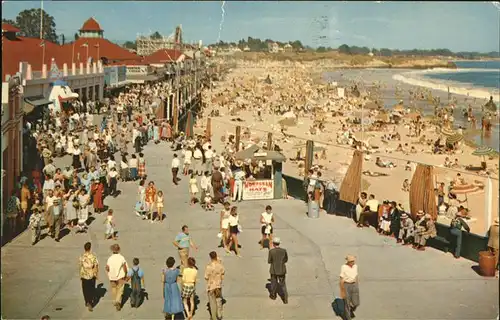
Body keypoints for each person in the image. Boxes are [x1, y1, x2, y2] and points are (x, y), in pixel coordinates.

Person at [106, 244, 129, 311]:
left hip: (112, 277)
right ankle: (118, 301)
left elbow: (107, 267)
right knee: (120, 289)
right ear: (118, 250)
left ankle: (115, 300)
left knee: (114, 288)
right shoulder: (121, 258)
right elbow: (125, 267)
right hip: (120, 276)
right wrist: (126, 274)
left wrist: (109, 273)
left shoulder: (110, 258)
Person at [204, 251, 225, 320]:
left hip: (211, 286)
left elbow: (206, 277)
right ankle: (219, 314)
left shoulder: (208, 267)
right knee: (218, 300)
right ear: (216, 256)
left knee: (212, 303)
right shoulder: (220, 265)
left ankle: (214, 317)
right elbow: (223, 273)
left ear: (210, 257)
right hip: (218, 285)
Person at [79, 242, 99, 312]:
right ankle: (90, 302)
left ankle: (87, 301)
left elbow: (80, 265)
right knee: (91, 289)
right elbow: (96, 266)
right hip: (91, 276)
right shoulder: (93, 256)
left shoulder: (82, 256)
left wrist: (81, 275)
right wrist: (96, 274)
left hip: (84, 276)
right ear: (90, 248)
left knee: (85, 289)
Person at [268, 237, 288, 304]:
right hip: (282, 270)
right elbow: (286, 259)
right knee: (283, 284)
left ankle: (273, 295)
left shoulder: (271, 251)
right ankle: (285, 298)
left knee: (273, 284)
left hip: (273, 270)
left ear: (273, 244)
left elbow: (269, 261)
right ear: (279, 243)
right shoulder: (284, 251)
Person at [340, 255, 360, 320]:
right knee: (347, 303)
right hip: (346, 285)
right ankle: (348, 318)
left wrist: (356, 284)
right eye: (351, 261)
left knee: (356, 303)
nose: (353, 262)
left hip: (354, 285)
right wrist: (342, 290)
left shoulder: (355, 266)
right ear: (348, 261)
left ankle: (351, 309)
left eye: (353, 261)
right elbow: (341, 278)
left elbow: (356, 276)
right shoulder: (344, 267)